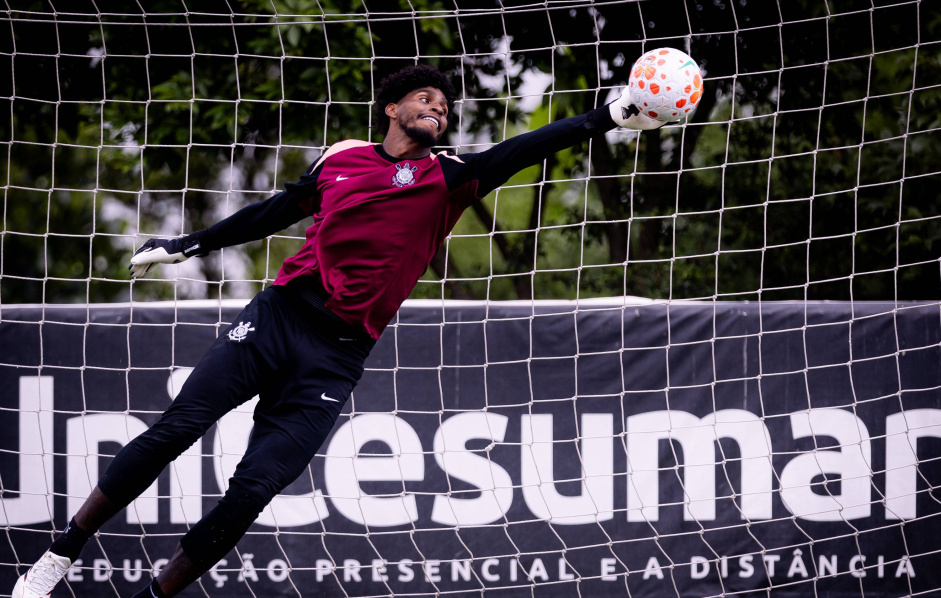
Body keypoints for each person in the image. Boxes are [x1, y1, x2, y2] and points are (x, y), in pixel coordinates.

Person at [13, 64, 666, 598]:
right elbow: (271, 213)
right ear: (390, 109)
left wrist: (604, 117)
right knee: (176, 430)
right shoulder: (341, 165)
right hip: (277, 319)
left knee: (254, 489)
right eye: (424, 97)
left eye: (444, 104)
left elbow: (522, 148)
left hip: (336, 358)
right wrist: (189, 244)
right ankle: (60, 554)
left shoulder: (447, 178)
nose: (438, 107)